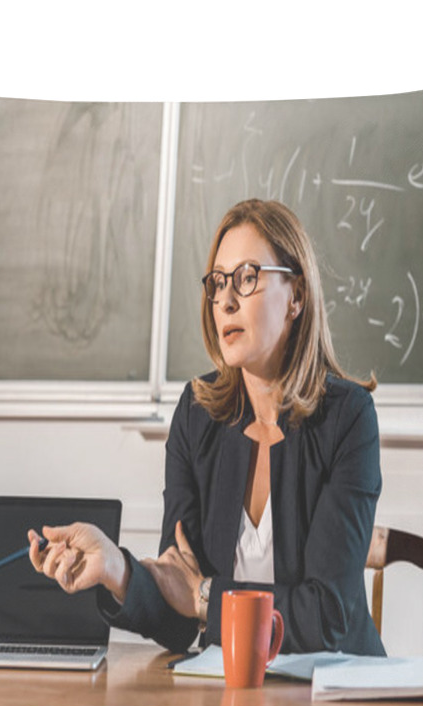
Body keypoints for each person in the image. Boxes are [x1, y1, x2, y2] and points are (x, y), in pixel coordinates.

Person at [28, 198, 385, 657]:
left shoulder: (348, 418)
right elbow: (177, 618)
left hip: (335, 692)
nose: (226, 300)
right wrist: (116, 568)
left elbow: (325, 619)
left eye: (247, 277)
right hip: (229, 690)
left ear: (296, 296)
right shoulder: (198, 414)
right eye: (217, 283)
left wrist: (204, 596)